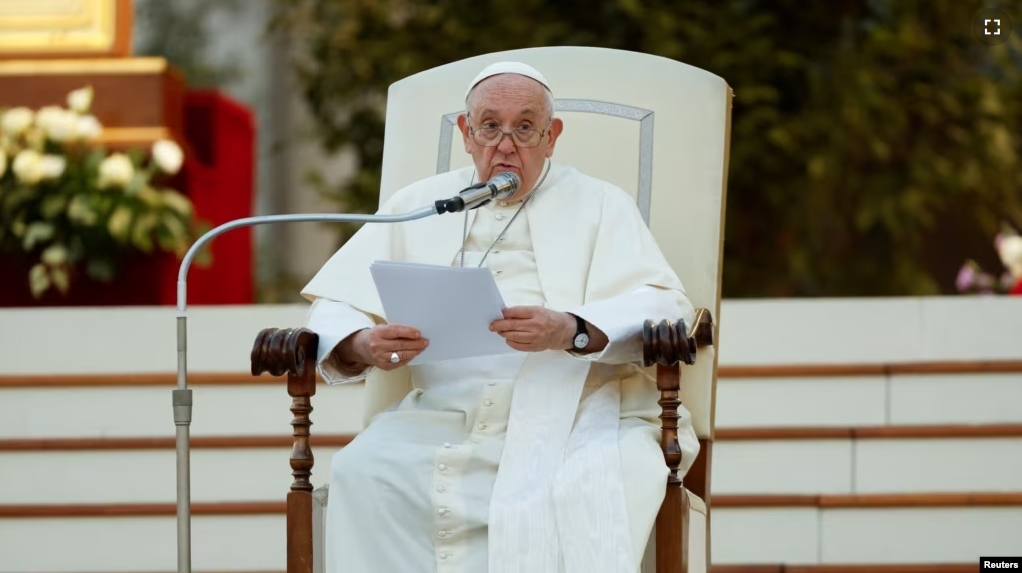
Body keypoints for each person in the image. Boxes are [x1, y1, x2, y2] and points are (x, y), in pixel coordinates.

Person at [301, 61, 700, 573]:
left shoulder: (602, 204)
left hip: (577, 409)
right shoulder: (420, 205)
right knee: (363, 469)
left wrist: (570, 328)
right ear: (467, 135)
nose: (505, 144)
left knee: (594, 483)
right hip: (439, 414)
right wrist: (362, 342)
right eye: (490, 126)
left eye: (525, 127)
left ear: (552, 137)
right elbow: (333, 305)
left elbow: (667, 306)